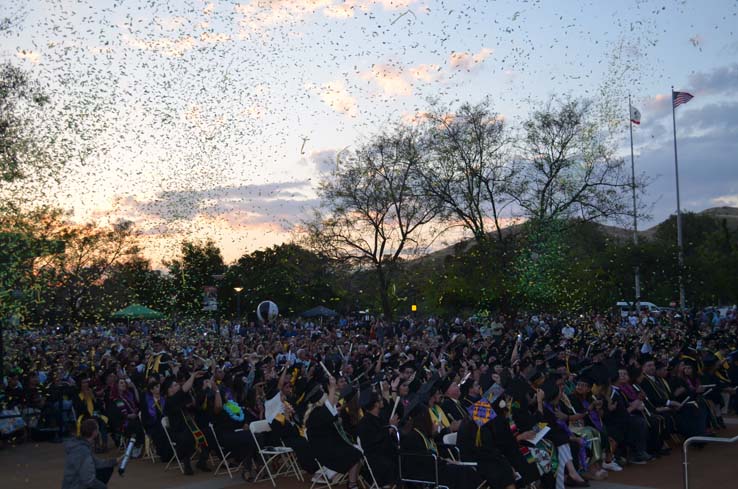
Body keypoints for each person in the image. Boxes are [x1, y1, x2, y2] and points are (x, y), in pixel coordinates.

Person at [305, 376, 363, 489]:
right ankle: (351, 484)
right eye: (324, 395)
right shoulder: (315, 414)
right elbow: (329, 409)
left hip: (331, 444)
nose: (326, 396)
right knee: (355, 454)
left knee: (356, 451)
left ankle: (349, 480)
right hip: (325, 450)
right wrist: (332, 388)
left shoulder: (318, 411)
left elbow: (330, 412)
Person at [61, 418, 118, 489]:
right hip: (75, 486)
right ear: (94, 432)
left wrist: (115, 461)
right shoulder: (83, 450)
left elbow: (97, 463)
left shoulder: (81, 445)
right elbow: (88, 480)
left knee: (107, 469)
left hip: (71, 484)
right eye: (97, 429)